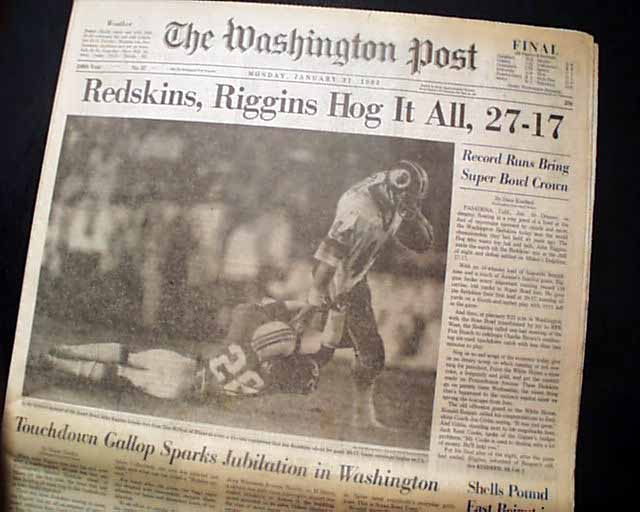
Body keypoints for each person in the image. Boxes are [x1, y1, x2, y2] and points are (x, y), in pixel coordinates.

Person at [293, 160, 435, 429]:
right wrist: (318, 294)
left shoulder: (391, 191)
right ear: (395, 187)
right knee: (324, 345)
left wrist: (413, 215)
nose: (409, 203)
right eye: (408, 198)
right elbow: (329, 256)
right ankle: (265, 364)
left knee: (366, 353)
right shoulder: (359, 209)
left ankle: (363, 416)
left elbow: (422, 242)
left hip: (354, 276)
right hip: (334, 274)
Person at [43, 299, 322, 400]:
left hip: (188, 365)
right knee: (123, 374)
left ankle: (64, 350)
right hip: (187, 390)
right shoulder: (270, 382)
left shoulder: (245, 343)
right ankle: (58, 363)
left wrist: (306, 306)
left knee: (130, 356)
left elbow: (250, 310)